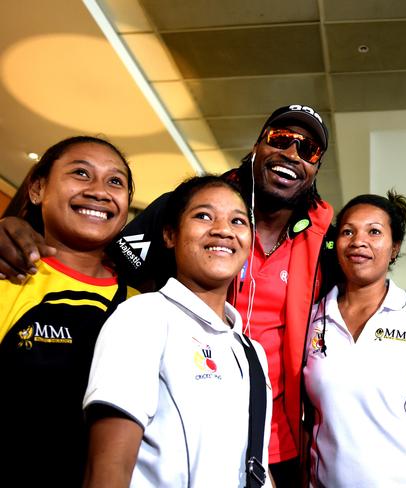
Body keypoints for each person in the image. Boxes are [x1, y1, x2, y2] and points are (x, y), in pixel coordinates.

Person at [0, 104, 334, 485]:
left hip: (271, 438)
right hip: (165, 433)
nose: (292, 153)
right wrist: (16, 225)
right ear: (257, 144)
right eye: (281, 139)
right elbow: (99, 249)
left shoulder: (326, 244)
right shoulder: (141, 312)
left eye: (308, 149)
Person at [83, 175, 271, 487]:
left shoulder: (251, 351)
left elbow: (256, 464)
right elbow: (107, 469)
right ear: (170, 235)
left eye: (237, 221)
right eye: (203, 216)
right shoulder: (143, 317)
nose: (223, 230)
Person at [0, 136, 137, 487]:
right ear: (36, 189)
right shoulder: (8, 280)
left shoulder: (141, 305)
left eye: (115, 181)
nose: (99, 191)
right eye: (81, 173)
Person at [303, 192, 406, 487]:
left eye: (374, 231)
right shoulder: (311, 319)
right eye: (348, 231)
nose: (359, 241)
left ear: (394, 248)